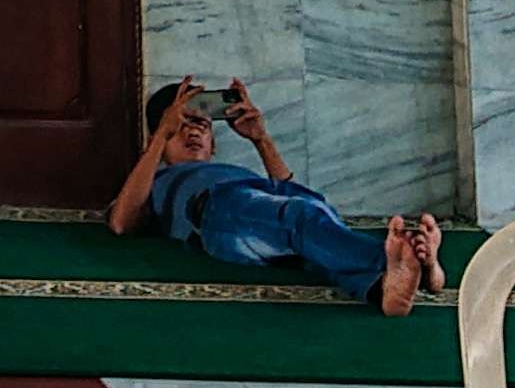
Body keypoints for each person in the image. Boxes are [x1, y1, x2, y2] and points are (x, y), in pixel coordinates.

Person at [107, 77, 438, 318]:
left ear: (214, 144)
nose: (193, 131)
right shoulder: (160, 178)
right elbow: (121, 223)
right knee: (302, 217)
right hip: (218, 213)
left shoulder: (231, 169)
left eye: (202, 125)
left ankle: (387, 287)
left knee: (315, 215)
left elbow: (289, 191)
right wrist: (160, 136)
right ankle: (411, 267)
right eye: (181, 125)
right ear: (161, 137)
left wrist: (260, 139)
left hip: (261, 201)